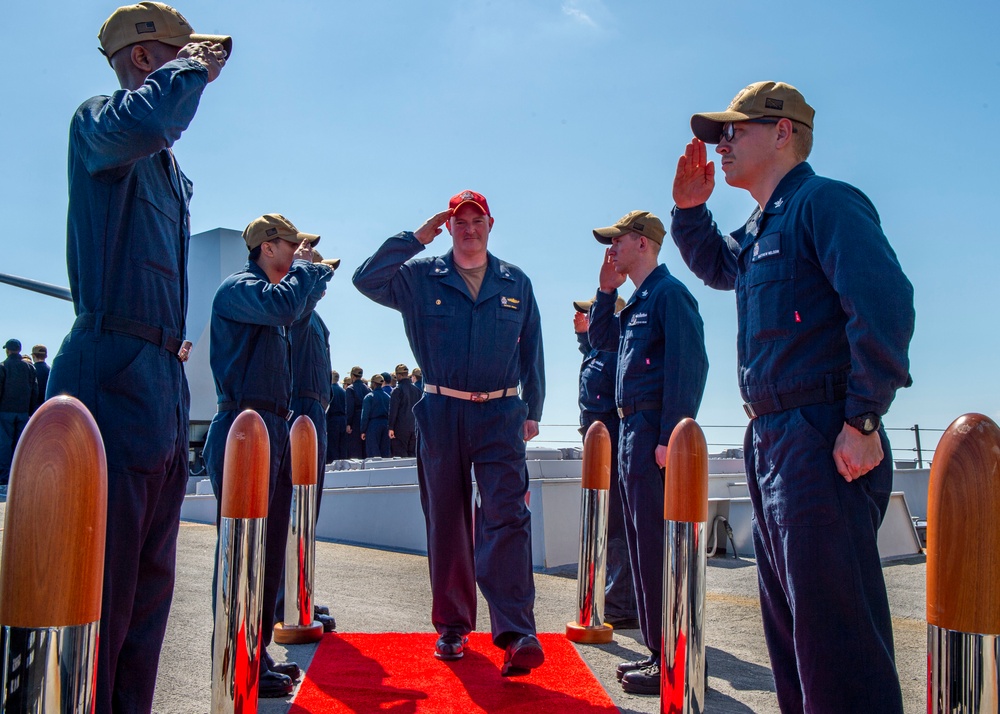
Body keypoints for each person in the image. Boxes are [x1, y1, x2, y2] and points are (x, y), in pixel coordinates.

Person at [670, 81, 914, 713]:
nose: (720, 146)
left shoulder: (824, 203)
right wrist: (691, 212)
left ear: (783, 133)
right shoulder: (762, 223)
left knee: (837, 636)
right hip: (773, 439)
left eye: (734, 132)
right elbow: (722, 269)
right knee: (793, 633)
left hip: (819, 434)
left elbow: (885, 304)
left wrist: (863, 416)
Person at [43, 4, 228, 710]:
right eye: (184, 57)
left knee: (148, 596)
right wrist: (191, 70)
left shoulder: (166, 169)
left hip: (158, 382)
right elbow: (145, 121)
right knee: (100, 591)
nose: (203, 71)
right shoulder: (102, 121)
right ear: (149, 60)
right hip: (109, 370)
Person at [353, 189, 546, 676]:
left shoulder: (515, 282)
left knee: (507, 518)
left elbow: (533, 352)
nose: (469, 228)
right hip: (441, 412)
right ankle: (454, 626)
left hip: (501, 413)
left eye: (476, 219)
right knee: (447, 521)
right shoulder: (420, 276)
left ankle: (517, 630)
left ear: (490, 224)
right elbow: (366, 279)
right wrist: (417, 237)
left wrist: (533, 409)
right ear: (450, 226)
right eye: (459, 221)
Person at [203, 213, 332, 698]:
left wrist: (306, 280)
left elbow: (293, 312)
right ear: (267, 247)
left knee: (270, 550)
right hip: (243, 427)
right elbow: (283, 307)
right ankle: (234, 654)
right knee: (242, 553)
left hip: (273, 428)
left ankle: (255, 652)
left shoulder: (275, 297)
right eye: (291, 245)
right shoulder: (240, 288)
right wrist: (308, 271)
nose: (299, 252)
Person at [587, 210, 708, 695]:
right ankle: (660, 651)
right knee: (640, 546)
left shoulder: (670, 295)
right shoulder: (636, 301)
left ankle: (670, 655)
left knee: (658, 547)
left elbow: (690, 363)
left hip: (653, 431)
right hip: (630, 430)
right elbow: (599, 344)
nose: (610, 249)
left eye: (617, 241)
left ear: (643, 242)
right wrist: (603, 292)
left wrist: (670, 438)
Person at [572, 297, 638, 630]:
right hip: (599, 445)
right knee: (606, 523)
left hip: (610, 442)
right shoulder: (598, 350)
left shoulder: (612, 350)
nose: (579, 316)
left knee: (616, 525)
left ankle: (622, 603)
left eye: (587, 313)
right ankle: (614, 596)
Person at [0, 339, 37, 492]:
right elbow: (34, 390)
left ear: (7, 350)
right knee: (20, 445)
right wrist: (31, 411)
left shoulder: (3, 367)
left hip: (5, 411)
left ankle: (4, 480)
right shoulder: (29, 367)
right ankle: (20, 478)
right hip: (23, 412)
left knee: (4, 445)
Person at [388, 363, 420, 457]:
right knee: (413, 456)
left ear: (399, 375)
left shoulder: (397, 390)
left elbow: (393, 410)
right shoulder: (417, 390)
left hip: (400, 428)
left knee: (400, 456)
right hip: (414, 427)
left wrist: (391, 427)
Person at [360, 373, 391, 457]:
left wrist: (363, 430)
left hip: (373, 425)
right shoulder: (388, 397)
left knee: (373, 453)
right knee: (385, 453)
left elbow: (365, 415)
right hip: (385, 424)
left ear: (373, 383)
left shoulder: (369, 397)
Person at [344, 365, 370, 458]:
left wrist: (348, 423)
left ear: (352, 376)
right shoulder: (368, 389)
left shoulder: (350, 389)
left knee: (355, 449)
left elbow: (350, 407)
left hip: (355, 419)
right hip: (366, 419)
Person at [325, 370, 348, 463]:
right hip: (343, 420)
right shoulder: (344, 391)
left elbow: (327, 408)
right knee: (342, 446)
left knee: (332, 445)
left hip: (332, 420)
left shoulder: (329, 390)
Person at [29, 345, 49, 414]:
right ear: (46, 356)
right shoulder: (50, 370)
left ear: (33, 356)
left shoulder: (30, 370)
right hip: (47, 405)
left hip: (34, 407)